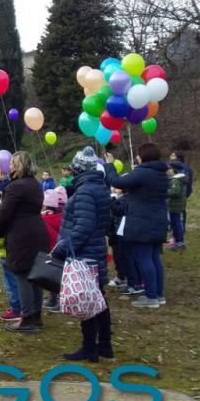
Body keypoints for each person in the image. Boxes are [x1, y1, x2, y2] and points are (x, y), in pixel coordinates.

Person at [52, 147, 112, 362]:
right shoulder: (98, 186)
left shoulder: (86, 191)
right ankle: (105, 345)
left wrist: (62, 247)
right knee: (98, 299)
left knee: (87, 300)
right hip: (95, 249)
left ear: (78, 169)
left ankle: (90, 349)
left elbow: (83, 228)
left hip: (85, 254)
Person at [104, 144, 168, 309]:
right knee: (154, 258)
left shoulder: (143, 172)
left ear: (143, 156)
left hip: (142, 222)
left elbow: (117, 181)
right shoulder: (162, 173)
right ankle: (159, 295)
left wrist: (109, 164)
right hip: (158, 219)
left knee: (145, 258)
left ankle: (151, 296)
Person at [0, 151, 49, 334]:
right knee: (35, 277)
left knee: (22, 276)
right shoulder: (35, 184)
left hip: (22, 235)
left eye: (12, 164)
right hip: (38, 232)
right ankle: (36, 316)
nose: (9, 167)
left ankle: (27, 318)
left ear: (18, 166)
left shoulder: (15, 187)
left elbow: (5, 213)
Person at [40, 187, 65, 313]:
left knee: (56, 276)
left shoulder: (45, 219)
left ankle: (60, 301)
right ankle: (53, 298)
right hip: (58, 249)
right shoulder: (60, 216)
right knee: (56, 275)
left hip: (54, 249)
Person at [0, 235, 21, 322]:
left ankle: (16, 310)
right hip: (23, 254)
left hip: (8, 255)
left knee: (13, 285)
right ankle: (26, 308)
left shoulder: (8, 222)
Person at [169, 151, 194, 231]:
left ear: (178, 157)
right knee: (181, 210)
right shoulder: (187, 167)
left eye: (173, 155)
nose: (170, 156)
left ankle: (178, 228)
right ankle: (180, 227)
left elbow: (188, 182)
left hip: (179, 193)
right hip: (183, 193)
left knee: (177, 211)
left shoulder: (181, 168)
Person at [166, 162, 187, 250]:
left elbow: (175, 192)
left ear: (174, 170)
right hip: (177, 205)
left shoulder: (175, 180)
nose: (168, 170)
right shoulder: (180, 178)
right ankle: (178, 241)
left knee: (176, 224)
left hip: (174, 206)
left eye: (170, 168)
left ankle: (178, 242)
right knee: (176, 223)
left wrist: (166, 191)